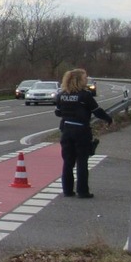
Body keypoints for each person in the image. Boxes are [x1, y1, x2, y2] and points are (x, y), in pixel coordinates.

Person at [54, 68, 112, 198]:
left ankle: (68, 190)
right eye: (85, 78)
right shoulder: (85, 96)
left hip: (66, 130)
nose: (86, 80)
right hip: (81, 131)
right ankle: (82, 191)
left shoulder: (61, 95)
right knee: (82, 161)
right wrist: (108, 118)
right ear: (79, 80)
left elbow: (58, 112)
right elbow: (97, 110)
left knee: (68, 162)